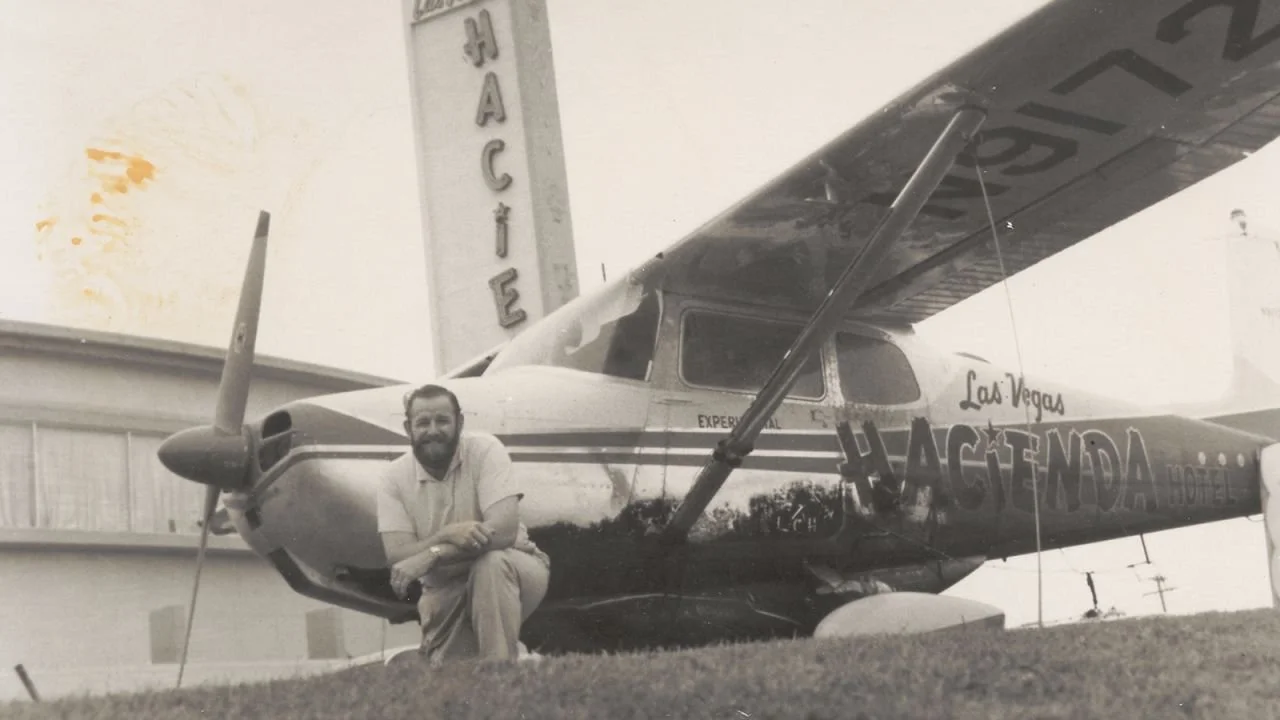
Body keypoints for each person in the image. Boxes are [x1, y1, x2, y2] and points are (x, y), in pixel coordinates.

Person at [377, 383, 551, 664]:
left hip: (514, 568)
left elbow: (504, 531)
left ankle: (500, 673)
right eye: (423, 422)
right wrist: (447, 534)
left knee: (491, 564)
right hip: (444, 589)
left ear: (460, 422)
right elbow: (397, 554)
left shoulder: (485, 449)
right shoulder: (393, 478)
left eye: (443, 420)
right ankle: (514, 657)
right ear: (408, 429)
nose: (433, 430)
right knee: (455, 676)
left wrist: (435, 553)